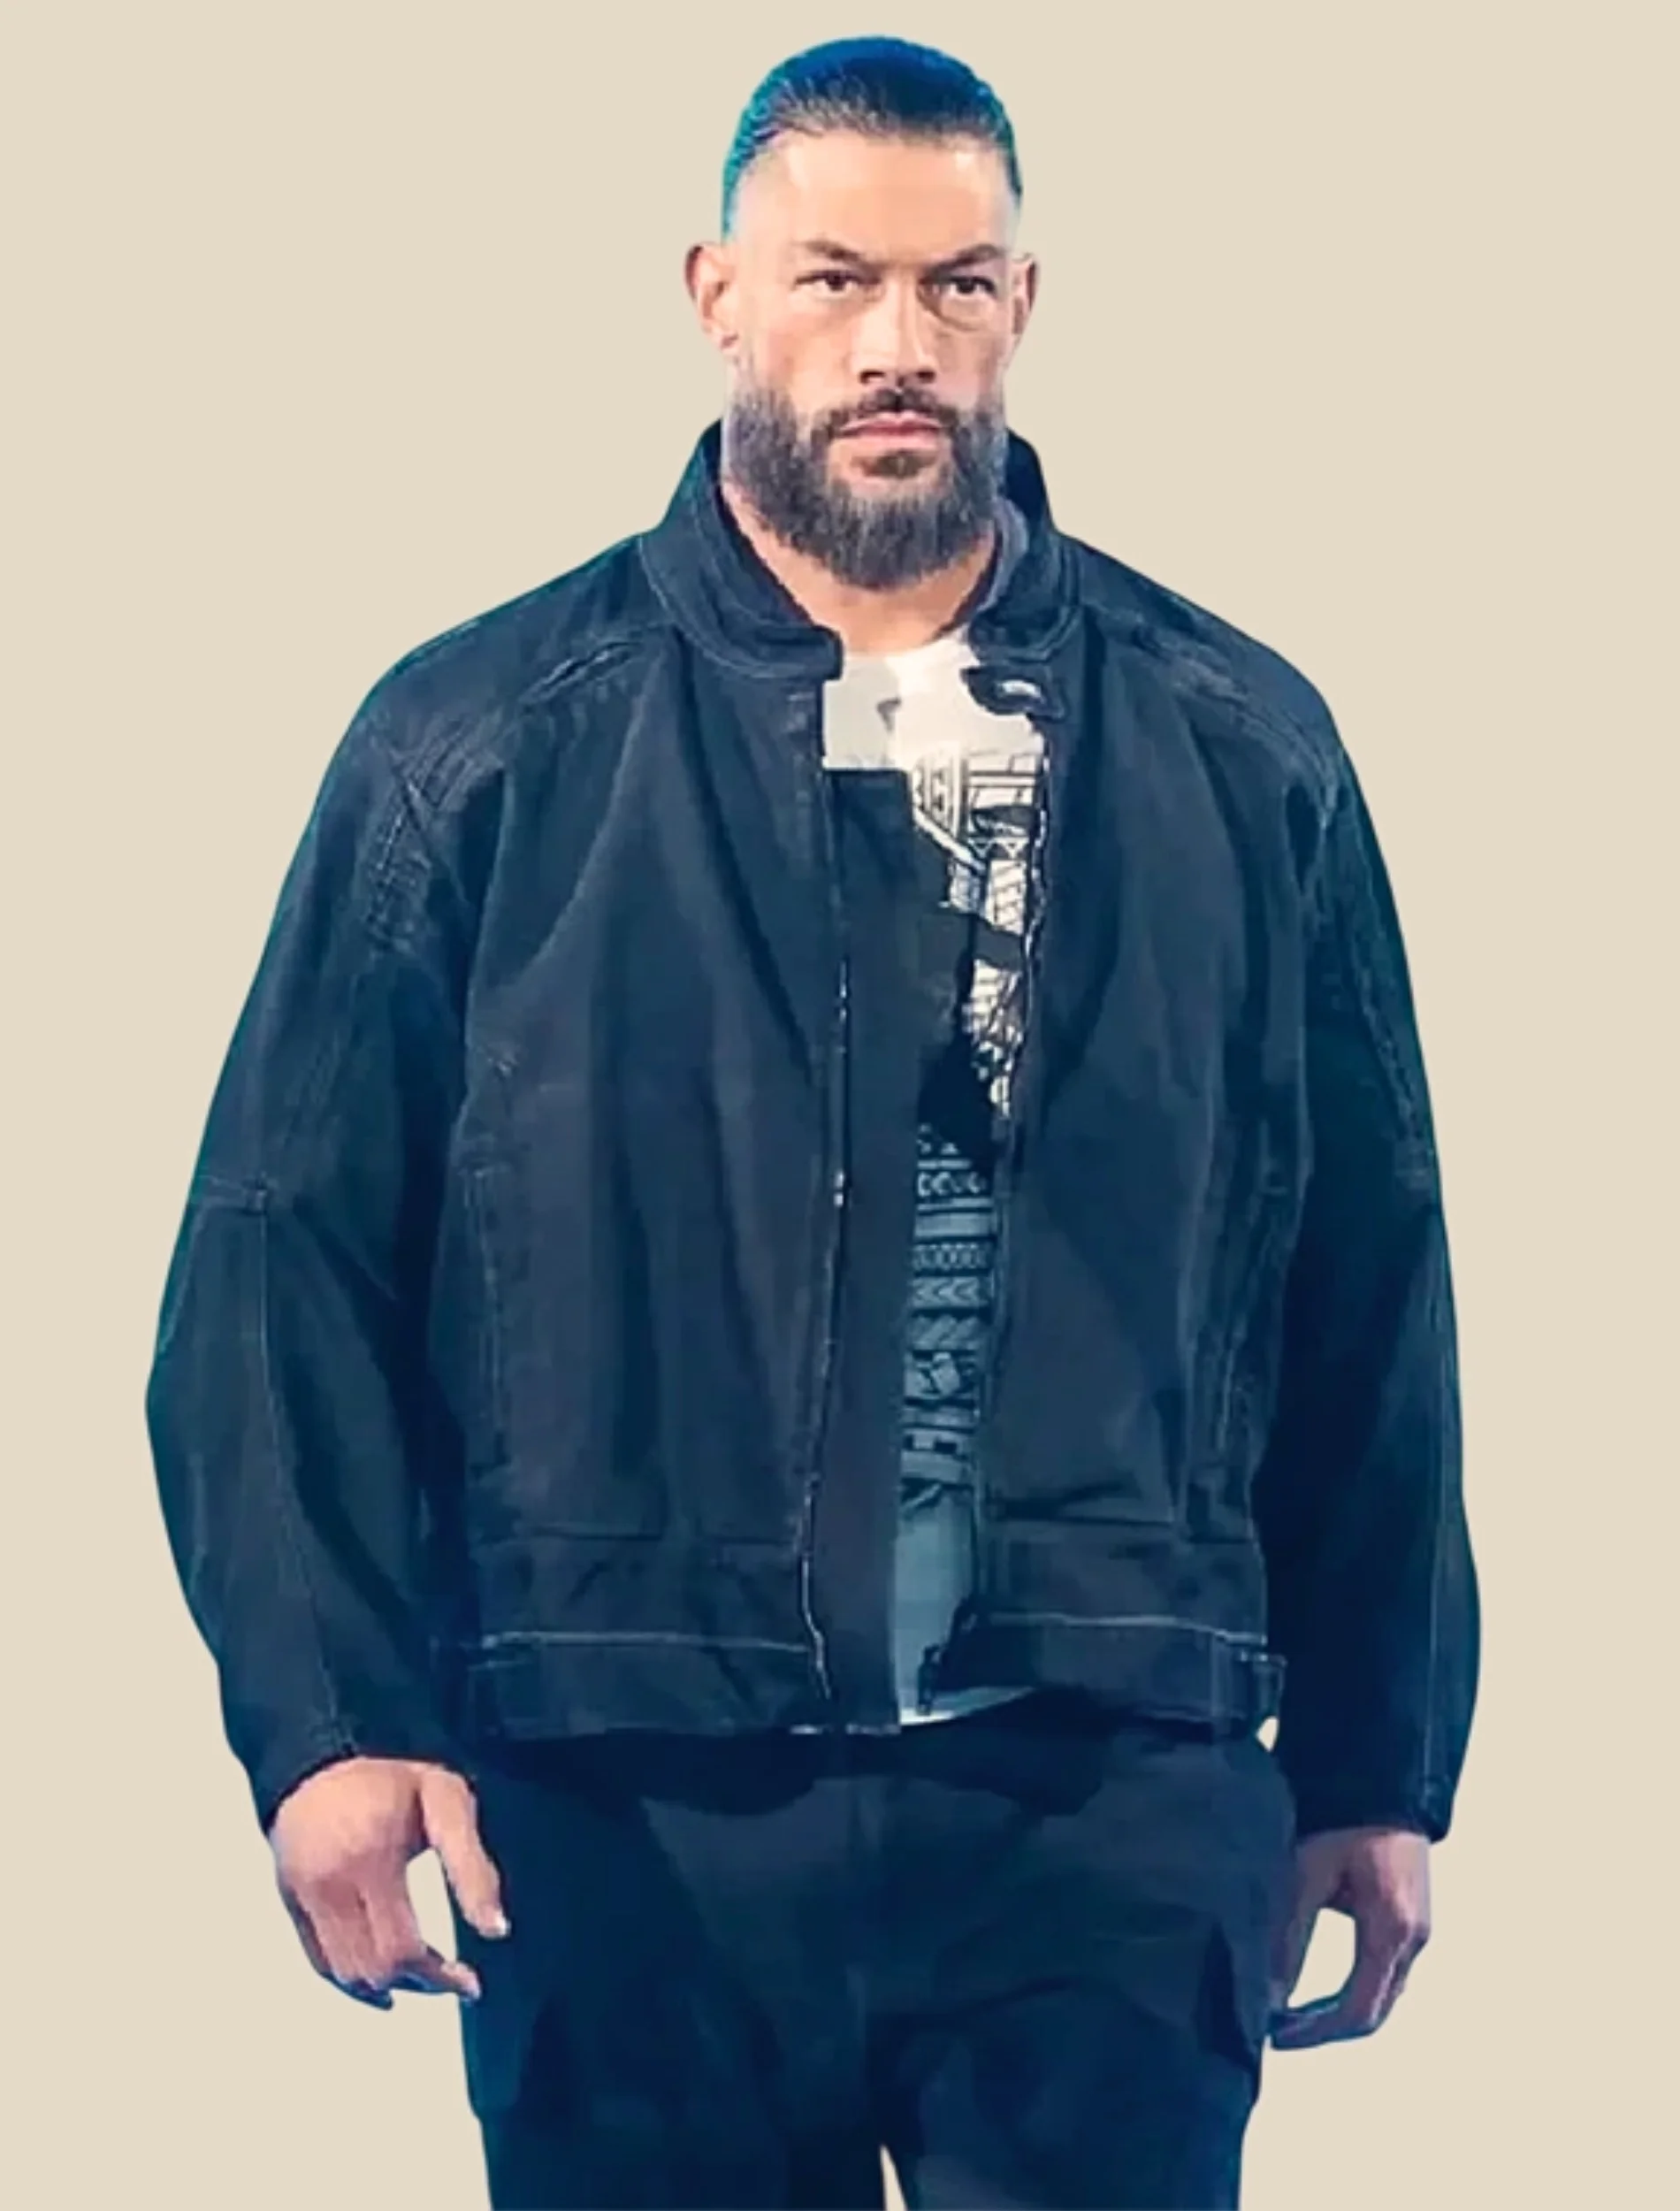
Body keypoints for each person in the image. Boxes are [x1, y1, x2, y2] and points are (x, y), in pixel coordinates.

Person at [143, 34, 1479, 2211]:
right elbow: (275, 1260)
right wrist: (329, 1719)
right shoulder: (477, 750)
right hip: (626, 1801)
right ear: (718, 296)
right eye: (835, 277)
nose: (895, 345)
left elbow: (1365, 1274)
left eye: (954, 284)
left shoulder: (1239, 749)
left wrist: (1375, 1749)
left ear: (1021, 305)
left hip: (1103, 1797)